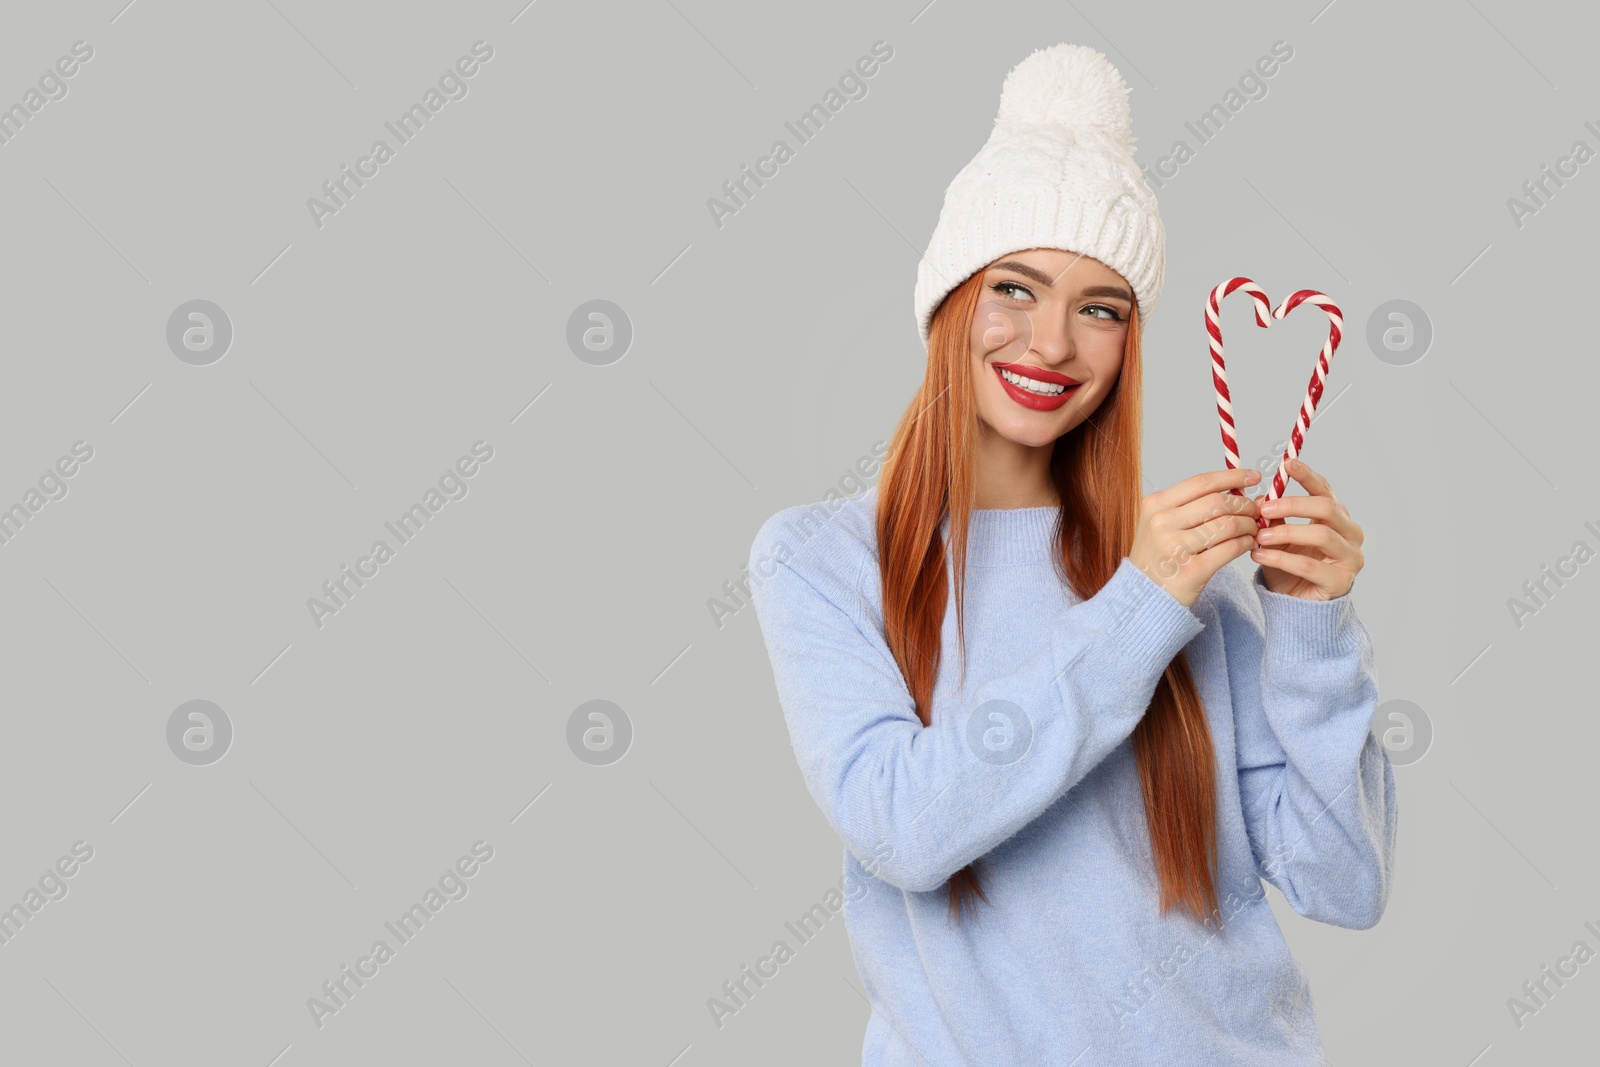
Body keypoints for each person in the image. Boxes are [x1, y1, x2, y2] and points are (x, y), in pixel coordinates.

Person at [746, 42, 1396, 1066]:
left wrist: (1312, 626)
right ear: (949, 300)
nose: (1051, 342)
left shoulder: (1189, 585)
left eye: (1101, 309)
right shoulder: (821, 559)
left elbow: (1343, 886)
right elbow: (902, 826)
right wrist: (1139, 604)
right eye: (1014, 288)